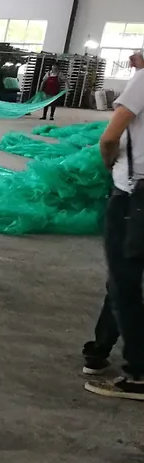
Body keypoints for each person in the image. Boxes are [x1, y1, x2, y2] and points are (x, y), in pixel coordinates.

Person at [83, 50, 144, 399]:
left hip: (134, 198)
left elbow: (109, 138)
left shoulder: (143, 82)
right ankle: (99, 349)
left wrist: (108, 163)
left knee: (125, 284)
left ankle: (138, 374)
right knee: (123, 280)